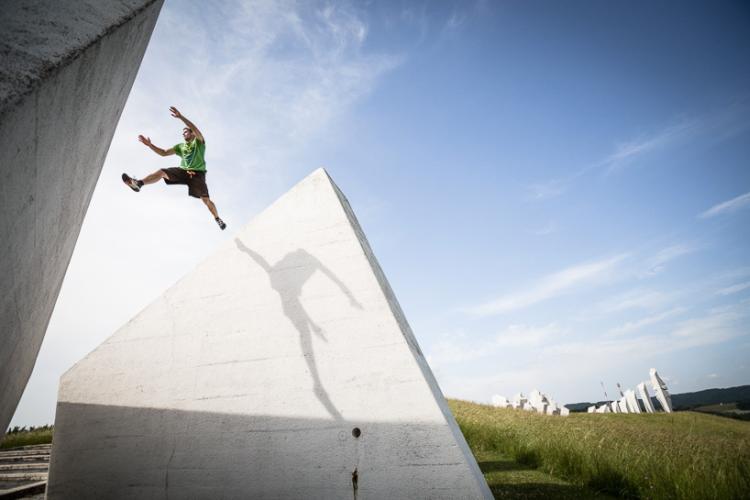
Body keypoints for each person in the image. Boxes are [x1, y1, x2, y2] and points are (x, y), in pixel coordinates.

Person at [122, 106, 226, 230]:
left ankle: (217, 218)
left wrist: (181, 117)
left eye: (186, 132)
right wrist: (150, 145)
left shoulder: (199, 142)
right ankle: (139, 183)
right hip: (183, 171)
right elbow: (164, 153)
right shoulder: (180, 147)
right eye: (182, 133)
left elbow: (195, 128)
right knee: (162, 172)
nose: (183, 134)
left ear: (192, 133)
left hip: (198, 175)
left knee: (206, 200)